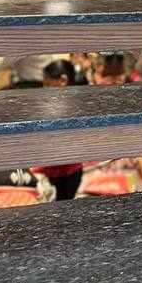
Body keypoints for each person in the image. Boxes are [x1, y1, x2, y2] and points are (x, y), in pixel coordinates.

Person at [29, 60, 85, 200]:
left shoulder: (72, 106)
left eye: (48, 84)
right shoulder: (52, 104)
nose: (44, 89)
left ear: (63, 80)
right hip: (58, 171)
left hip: (66, 173)